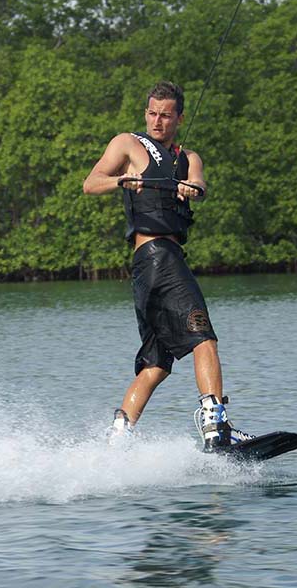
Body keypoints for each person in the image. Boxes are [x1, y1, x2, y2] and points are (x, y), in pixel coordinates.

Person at [82, 81, 253, 451]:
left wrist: (191, 188)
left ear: (179, 117)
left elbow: (199, 183)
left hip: (154, 266)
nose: (157, 121)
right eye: (152, 113)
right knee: (203, 338)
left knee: (156, 363)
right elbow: (91, 183)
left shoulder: (189, 157)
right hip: (157, 257)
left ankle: (116, 442)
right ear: (146, 113)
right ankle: (218, 429)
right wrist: (122, 180)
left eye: (166, 115)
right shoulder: (127, 143)